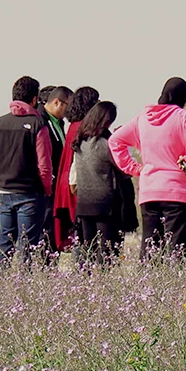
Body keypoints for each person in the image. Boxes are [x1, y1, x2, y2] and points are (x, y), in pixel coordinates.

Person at [109, 76, 186, 262]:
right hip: (178, 193)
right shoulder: (183, 118)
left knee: (150, 249)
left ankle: (147, 288)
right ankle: (173, 288)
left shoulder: (143, 118)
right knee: (176, 250)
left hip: (150, 191)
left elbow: (115, 140)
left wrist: (134, 168)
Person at [0, 75, 56, 272]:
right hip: (30, 192)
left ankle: (2, 284)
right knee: (26, 244)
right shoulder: (38, 125)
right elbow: (44, 164)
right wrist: (47, 189)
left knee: (5, 241)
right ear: (35, 99)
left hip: (4, 191)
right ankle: (23, 286)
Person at [69, 99, 134, 268]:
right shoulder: (106, 144)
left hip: (84, 204)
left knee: (88, 249)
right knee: (106, 251)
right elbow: (124, 170)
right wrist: (125, 147)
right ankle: (103, 285)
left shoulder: (80, 143)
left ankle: (88, 285)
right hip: (105, 204)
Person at [51, 86, 97, 254]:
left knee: (78, 231)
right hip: (75, 183)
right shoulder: (83, 127)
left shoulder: (73, 125)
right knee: (81, 231)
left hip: (66, 182)